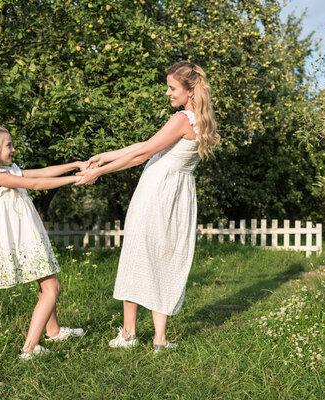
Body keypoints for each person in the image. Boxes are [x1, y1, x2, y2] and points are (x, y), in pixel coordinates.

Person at [77, 61, 219, 353]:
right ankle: (159, 340)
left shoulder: (181, 119)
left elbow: (142, 153)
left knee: (138, 255)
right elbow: (146, 145)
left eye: (172, 88)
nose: (168, 93)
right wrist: (104, 156)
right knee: (164, 259)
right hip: (178, 197)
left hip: (157, 192)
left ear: (189, 91)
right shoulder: (200, 120)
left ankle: (129, 334)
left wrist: (97, 172)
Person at [0, 124, 86, 360]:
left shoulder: (6, 170)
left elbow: (41, 172)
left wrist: (75, 165)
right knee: (53, 288)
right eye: (8, 145)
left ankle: (53, 331)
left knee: (45, 284)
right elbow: (35, 184)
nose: (13, 149)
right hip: (22, 241)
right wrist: (76, 179)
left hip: (27, 237)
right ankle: (28, 349)